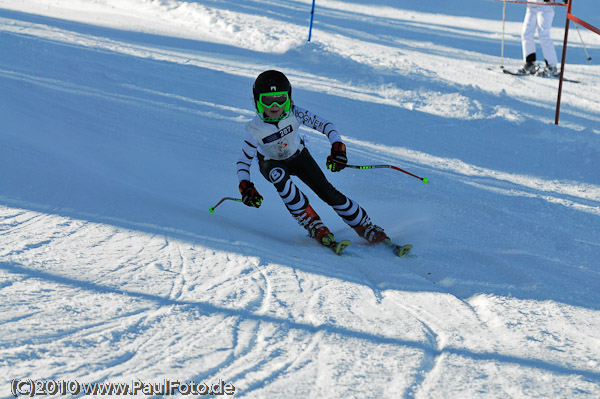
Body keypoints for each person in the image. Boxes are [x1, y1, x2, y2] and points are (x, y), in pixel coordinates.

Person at [236, 70, 389, 249]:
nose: (275, 105)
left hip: (298, 156)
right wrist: (246, 187)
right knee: (279, 176)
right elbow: (243, 162)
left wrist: (338, 148)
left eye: (281, 98)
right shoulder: (254, 129)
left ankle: (365, 225)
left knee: (327, 192)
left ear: (289, 98)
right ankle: (313, 223)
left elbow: (327, 126)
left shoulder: (295, 113)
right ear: (258, 101)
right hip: (271, 162)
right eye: (268, 100)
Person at [518, 0, 568, 76]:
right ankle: (530, 63)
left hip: (545, 5)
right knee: (526, 34)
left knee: (543, 34)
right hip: (531, 5)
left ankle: (551, 66)